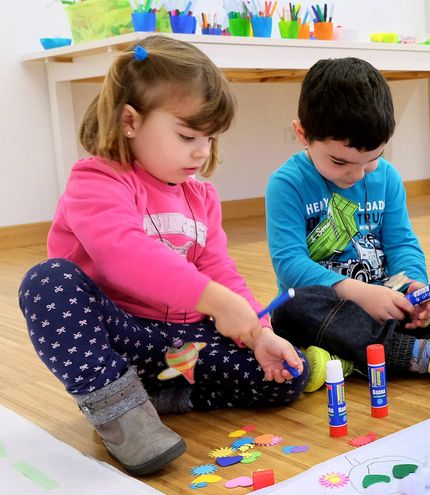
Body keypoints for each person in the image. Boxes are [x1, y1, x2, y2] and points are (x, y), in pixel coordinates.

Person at [17, 36, 307, 476]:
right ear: (130, 121)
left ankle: (159, 397)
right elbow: (126, 256)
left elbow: (219, 269)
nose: (201, 152)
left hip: (178, 341)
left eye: (209, 138)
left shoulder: (202, 195)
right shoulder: (96, 181)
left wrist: (257, 332)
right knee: (47, 282)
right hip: (121, 337)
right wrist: (217, 301)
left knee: (283, 377)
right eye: (187, 135)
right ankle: (120, 410)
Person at [266, 57, 430, 391]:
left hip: (384, 307)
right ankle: (419, 356)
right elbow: (290, 265)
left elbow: (401, 243)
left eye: (372, 159)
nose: (357, 174)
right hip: (331, 308)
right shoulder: (287, 184)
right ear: (302, 134)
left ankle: (348, 361)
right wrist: (359, 293)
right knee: (290, 309)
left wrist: (414, 287)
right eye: (340, 161)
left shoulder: (387, 178)